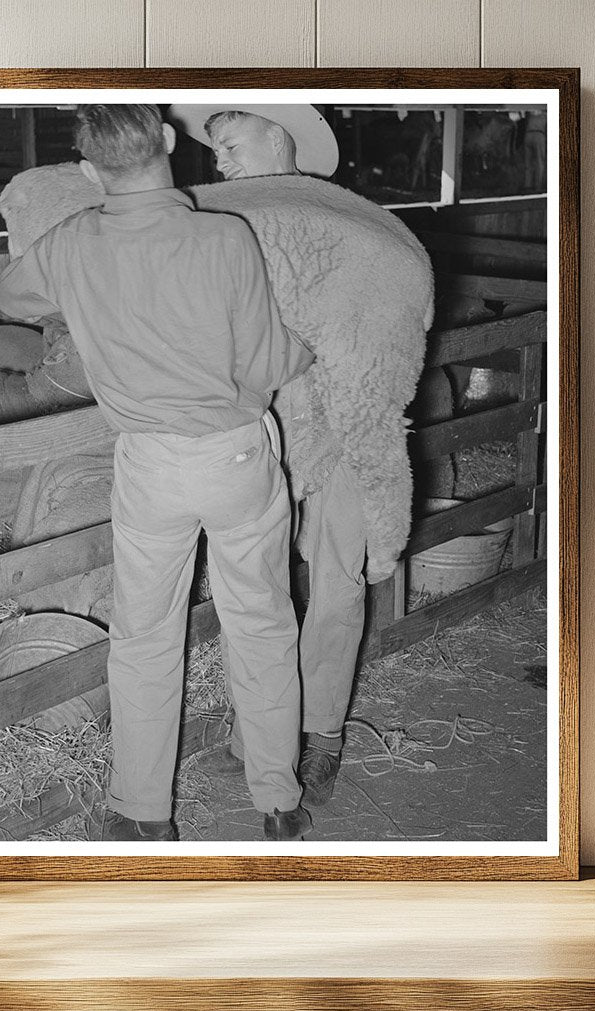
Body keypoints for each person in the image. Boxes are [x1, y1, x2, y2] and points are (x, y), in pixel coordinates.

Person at [0, 104, 315, 842]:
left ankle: (143, 812)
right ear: (168, 143)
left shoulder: (74, 241)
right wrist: (302, 351)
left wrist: (85, 285)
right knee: (261, 621)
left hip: (148, 463)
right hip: (235, 454)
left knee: (143, 636)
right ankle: (277, 798)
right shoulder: (224, 237)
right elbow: (269, 361)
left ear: (86, 169)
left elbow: (14, 296)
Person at [168, 104, 370, 809]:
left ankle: (322, 732)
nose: (219, 158)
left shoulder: (344, 220)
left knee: (339, 580)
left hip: (342, 422)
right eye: (214, 146)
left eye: (231, 142)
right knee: (253, 582)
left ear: (278, 135)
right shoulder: (221, 222)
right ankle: (259, 730)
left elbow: (370, 318)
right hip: (259, 424)